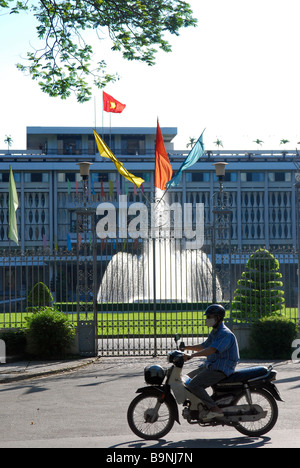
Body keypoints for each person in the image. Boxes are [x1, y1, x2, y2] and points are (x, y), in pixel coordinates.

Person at [182, 304, 240, 421]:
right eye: (207, 317)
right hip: (212, 365)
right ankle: (199, 405)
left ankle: (214, 409)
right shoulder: (215, 332)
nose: (207, 319)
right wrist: (186, 347)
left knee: (194, 385)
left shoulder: (225, 333)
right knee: (186, 379)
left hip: (222, 368)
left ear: (218, 318)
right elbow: (204, 346)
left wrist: (191, 356)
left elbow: (211, 350)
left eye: (209, 317)